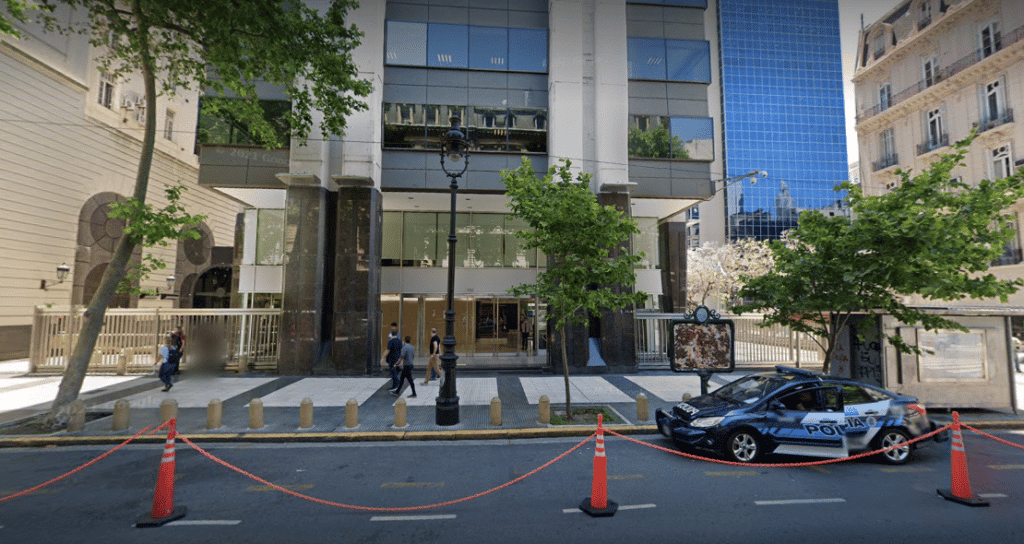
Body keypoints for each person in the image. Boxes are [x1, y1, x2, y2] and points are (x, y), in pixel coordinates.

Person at [384, 327, 402, 391]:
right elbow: (401, 349)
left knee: (393, 371)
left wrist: (383, 357)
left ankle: (396, 383)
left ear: (391, 335)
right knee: (395, 369)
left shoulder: (390, 341)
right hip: (397, 358)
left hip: (392, 358)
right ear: (397, 335)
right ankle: (395, 383)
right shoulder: (400, 341)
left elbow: (388, 350)